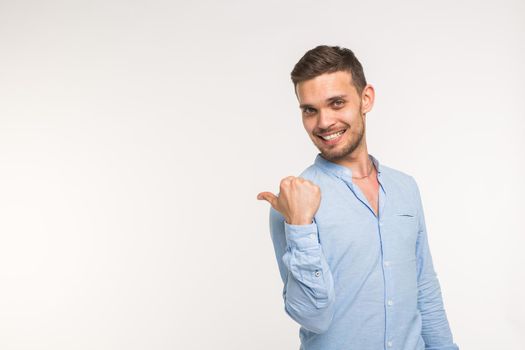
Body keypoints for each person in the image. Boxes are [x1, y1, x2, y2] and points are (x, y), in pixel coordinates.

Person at [256, 45, 459, 350]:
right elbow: (314, 317)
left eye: (336, 103)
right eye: (310, 110)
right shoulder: (293, 202)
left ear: (366, 99)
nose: (323, 122)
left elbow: (424, 290)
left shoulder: (405, 188)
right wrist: (300, 225)